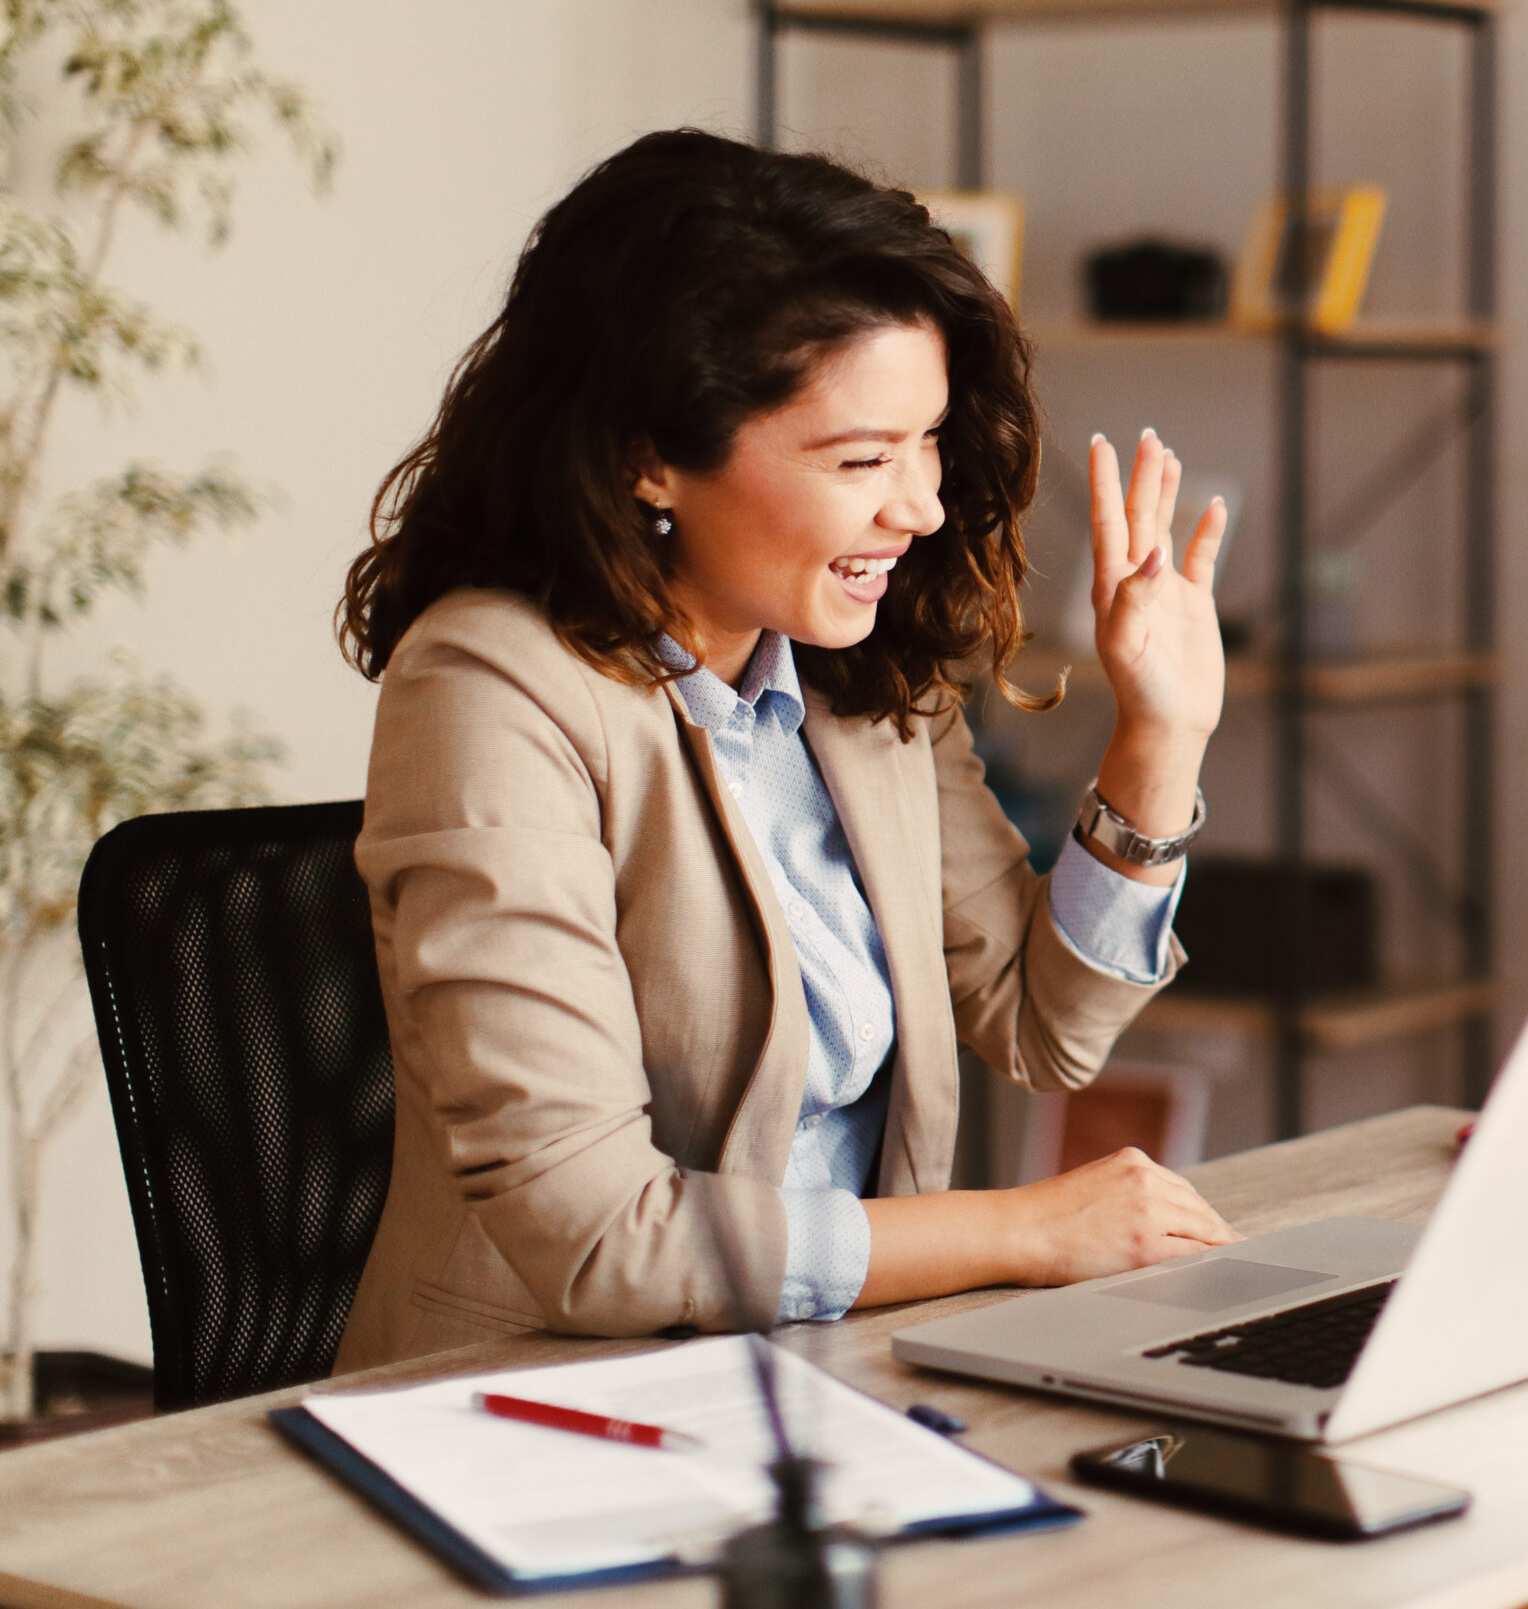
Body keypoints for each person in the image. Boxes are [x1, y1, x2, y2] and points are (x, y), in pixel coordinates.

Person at [330, 129, 1239, 1374]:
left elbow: (1040, 1023)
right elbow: (599, 1239)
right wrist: (1019, 1230)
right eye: (860, 459)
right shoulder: (492, 684)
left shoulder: (851, 674)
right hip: (556, 1408)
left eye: (925, 442)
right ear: (651, 455)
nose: (918, 506)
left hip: (839, 1373)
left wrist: (1160, 737)